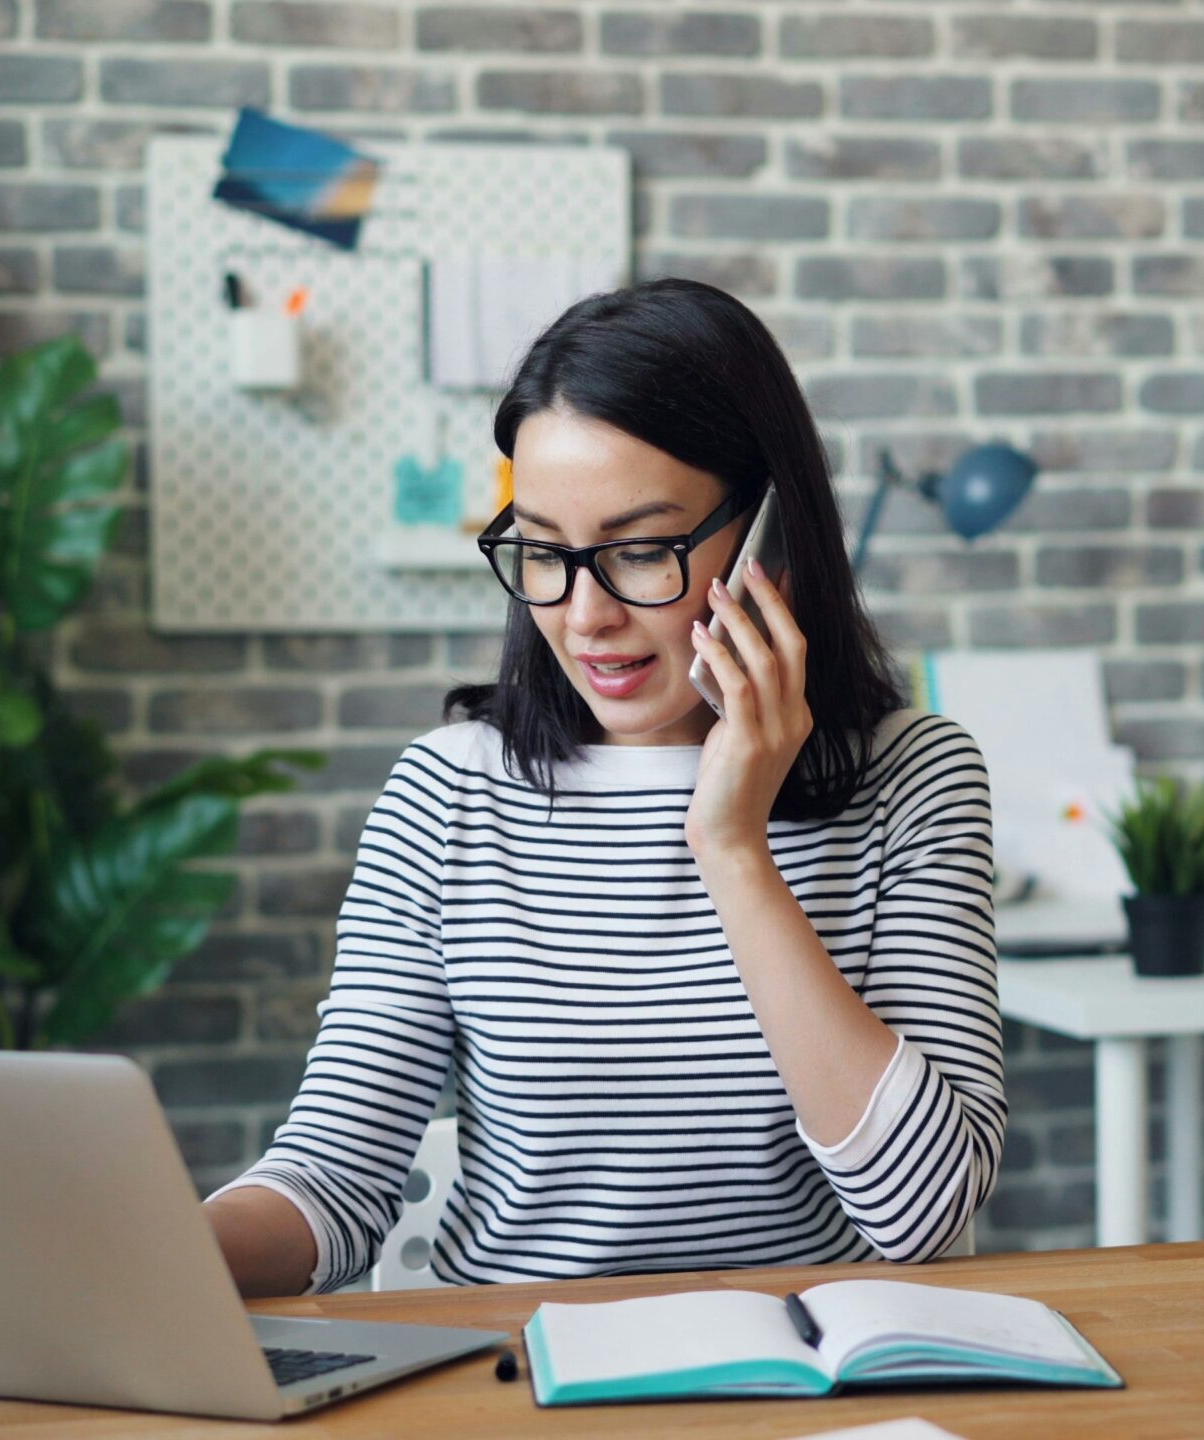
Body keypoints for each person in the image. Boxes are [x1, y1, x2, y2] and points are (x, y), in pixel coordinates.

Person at [204, 278, 1005, 1294]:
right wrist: (161, 1257)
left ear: (771, 534)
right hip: (514, 1378)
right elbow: (332, 1178)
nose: (583, 617)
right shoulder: (448, 794)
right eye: (542, 550)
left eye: (636, 552)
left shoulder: (913, 779)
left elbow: (925, 1215)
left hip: (797, 1387)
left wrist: (731, 846)